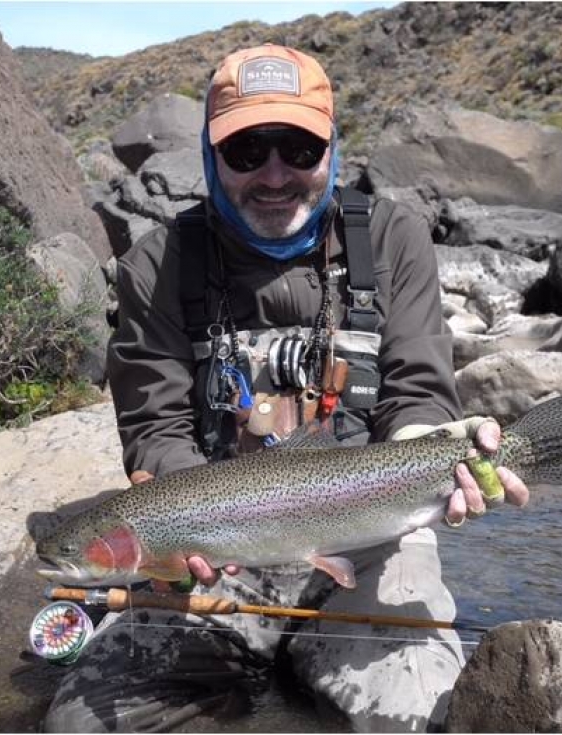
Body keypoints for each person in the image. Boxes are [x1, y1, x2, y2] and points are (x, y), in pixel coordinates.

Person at [44, 43, 528, 733]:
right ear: (211, 158)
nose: (275, 174)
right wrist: (180, 540)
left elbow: (419, 391)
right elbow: (156, 427)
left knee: (422, 718)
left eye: (299, 147)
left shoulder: (393, 238)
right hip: (220, 554)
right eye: (246, 151)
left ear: (333, 145)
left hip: (372, 534)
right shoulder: (156, 264)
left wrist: (441, 453)